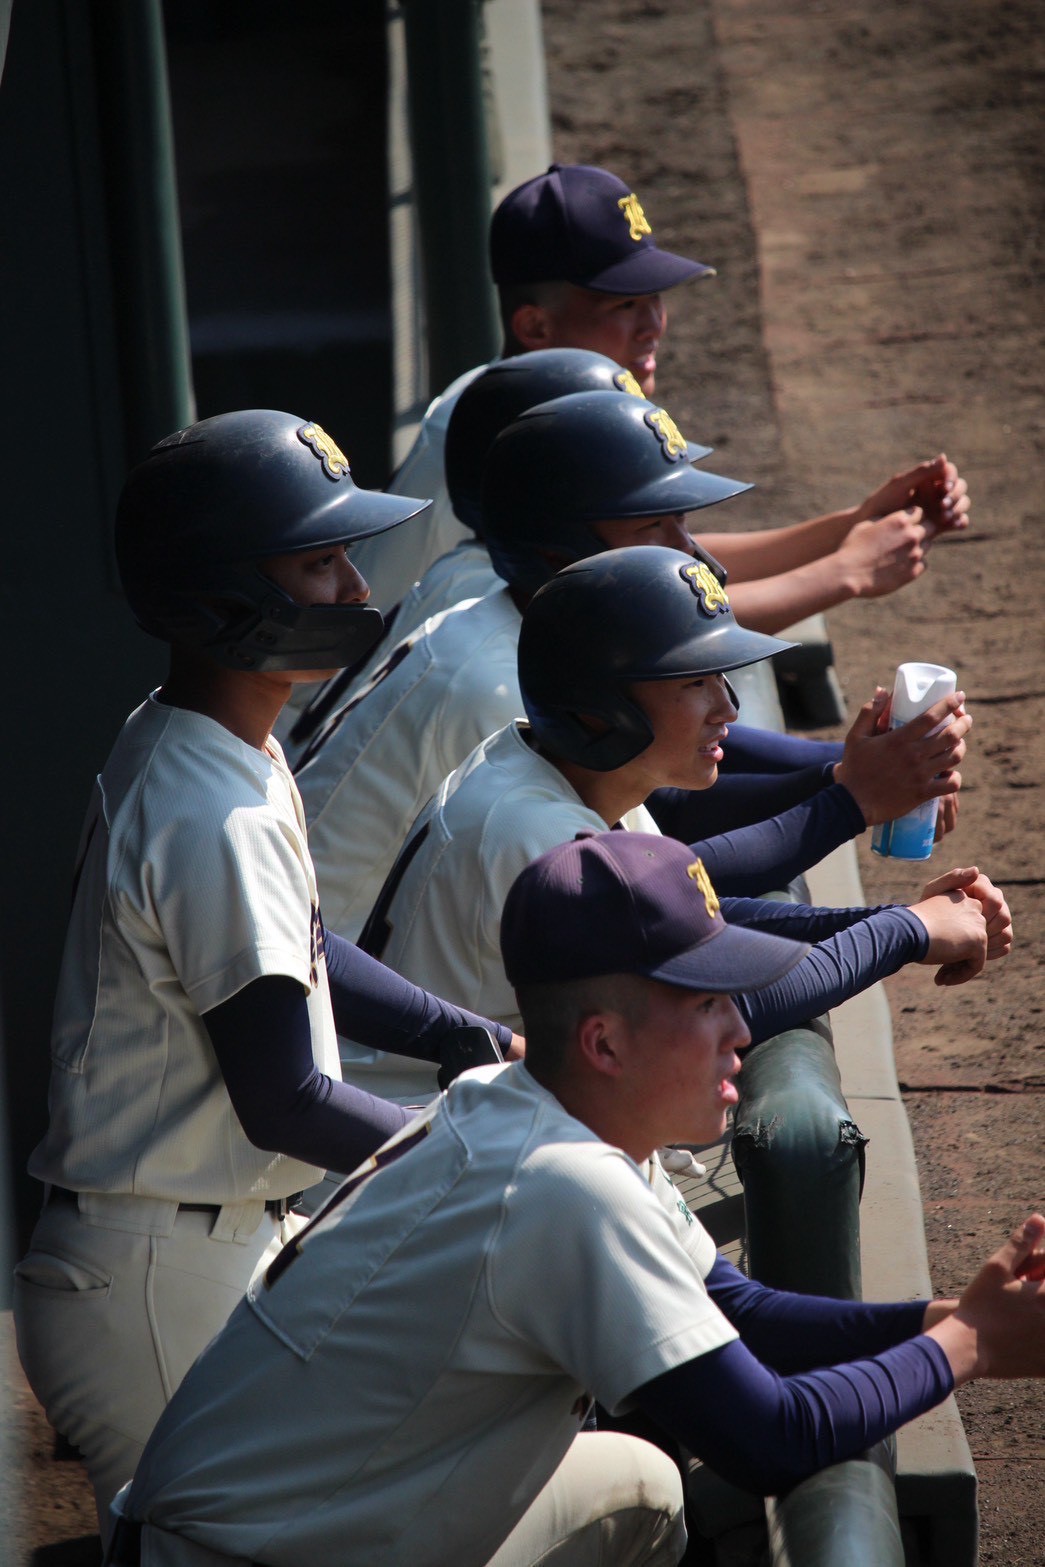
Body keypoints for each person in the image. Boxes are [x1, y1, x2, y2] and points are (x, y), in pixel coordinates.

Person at [106, 832, 1043, 1567]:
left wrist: (945, 1313)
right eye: (706, 1004)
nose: (737, 1031)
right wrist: (971, 1346)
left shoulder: (520, 1103)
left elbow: (736, 1310)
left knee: (638, 1483)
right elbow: (771, 1438)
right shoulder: (561, 1182)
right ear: (602, 1044)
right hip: (235, 1551)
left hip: (261, 1507)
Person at [12, 409, 520, 1539]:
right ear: (223, 595)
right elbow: (281, 1093)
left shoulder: (208, 733)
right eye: (316, 560)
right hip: (156, 1272)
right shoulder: (212, 806)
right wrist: (477, 1143)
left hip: (185, 1239)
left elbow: (295, 949)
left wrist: (456, 1033)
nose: (350, 584)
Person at [296, 389, 967, 961]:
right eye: (658, 527)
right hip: (355, 1009)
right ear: (562, 552)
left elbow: (650, 837)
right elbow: (658, 868)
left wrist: (848, 775)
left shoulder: (494, 601)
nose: (695, 555)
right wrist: (851, 798)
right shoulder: (496, 682)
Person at [355, 545, 1002, 1100]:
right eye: (693, 680)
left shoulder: (549, 770)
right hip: (426, 1158)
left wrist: (902, 919)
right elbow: (710, 1015)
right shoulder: (534, 833)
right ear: (599, 710)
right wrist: (903, 932)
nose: (727, 704)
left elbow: (706, 912)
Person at [349, 162, 969, 618]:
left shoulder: (531, 402)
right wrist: (846, 571)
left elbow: (661, 561)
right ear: (535, 325)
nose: (653, 325)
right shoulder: (507, 441)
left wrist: (852, 526)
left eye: (655, 299)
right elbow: (642, 627)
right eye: (624, 304)